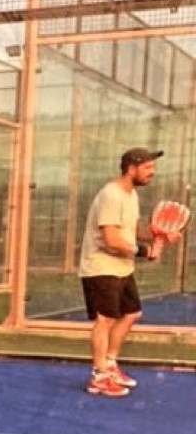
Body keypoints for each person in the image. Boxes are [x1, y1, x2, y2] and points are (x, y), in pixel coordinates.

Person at [77, 147, 170, 396]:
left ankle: (109, 364)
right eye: (147, 167)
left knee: (131, 313)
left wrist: (158, 234)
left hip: (121, 267)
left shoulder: (131, 195)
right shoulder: (111, 195)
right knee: (105, 320)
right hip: (100, 267)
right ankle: (99, 377)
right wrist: (144, 251)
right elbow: (111, 240)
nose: (153, 172)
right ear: (131, 169)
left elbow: (131, 231)